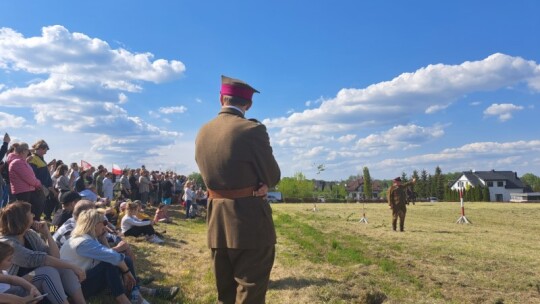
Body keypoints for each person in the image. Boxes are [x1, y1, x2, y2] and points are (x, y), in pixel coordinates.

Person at [195, 75, 281, 304]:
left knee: (225, 293)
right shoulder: (252, 129)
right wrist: (263, 184)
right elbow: (272, 176)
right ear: (248, 104)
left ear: (221, 98)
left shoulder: (203, 131)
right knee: (250, 291)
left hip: (216, 221)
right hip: (248, 221)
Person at [0, 201, 86, 304]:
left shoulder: (29, 234)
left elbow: (55, 257)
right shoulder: (7, 243)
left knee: (63, 267)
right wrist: (73, 266)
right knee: (48, 271)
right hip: (16, 284)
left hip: (33, 276)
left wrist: (47, 234)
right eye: (30, 213)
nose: (33, 215)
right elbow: (40, 259)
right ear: (22, 219)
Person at [59, 209, 145, 304]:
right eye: (104, 222)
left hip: (80, 280)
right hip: (74, 289)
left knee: (126, 260)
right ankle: (123, 299)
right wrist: (126, 271)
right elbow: (113, 257)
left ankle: (134, 292)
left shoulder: (87, 238)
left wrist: (103, 239)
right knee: (109, 265)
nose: (106, 226)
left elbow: (109, 255)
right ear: (94, 225)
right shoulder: (84, 243)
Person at [7, 143, 46, 221]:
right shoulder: (17, 162)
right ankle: (28, 228)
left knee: (28, 212)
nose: (29, 153)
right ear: (23, 152)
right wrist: (39, 184)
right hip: (23, 192)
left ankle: (30, 227)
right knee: (24, 214)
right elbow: (29, 178)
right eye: (27, 151)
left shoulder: (20, 161)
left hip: (26, 190)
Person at [28, 140, 57, 221]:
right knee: (36, 210)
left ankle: (35, 227)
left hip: (43, 188)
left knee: (39, 209)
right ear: (40, 148)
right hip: (38, 188)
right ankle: (33, 228)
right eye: (45, 150)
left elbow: (43, 172)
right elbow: (33, 175)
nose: (46, 152)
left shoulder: (40, 159)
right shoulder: (33, 159)